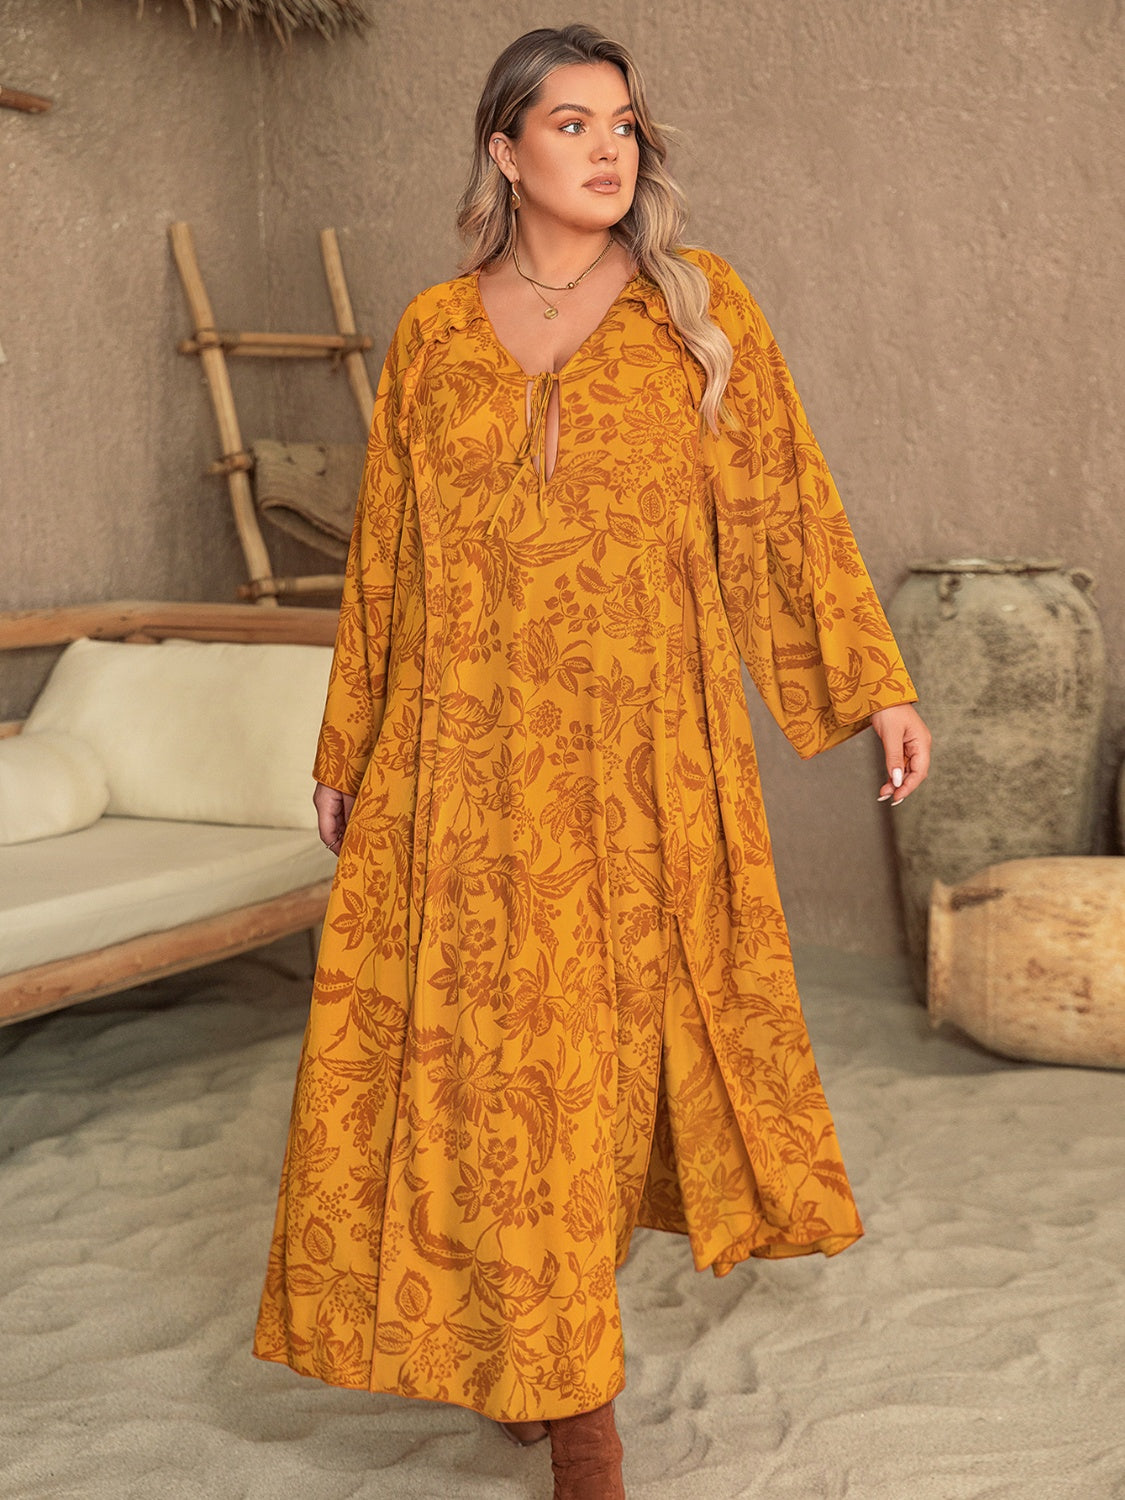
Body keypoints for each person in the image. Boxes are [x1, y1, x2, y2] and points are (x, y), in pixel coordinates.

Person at [253, 23, 931, 1499]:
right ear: (504, 151)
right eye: (570, 124)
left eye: (622, 123)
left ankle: (575, 1405)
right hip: (460, 766)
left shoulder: (698, 309)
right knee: (478, 1067)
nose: (609, 148)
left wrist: (874, 685)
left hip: (639, 770)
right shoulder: (433, 334)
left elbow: (782, 512)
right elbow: (388, 561)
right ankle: (550, 1372)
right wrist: (349, 741)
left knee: (586, 1074)